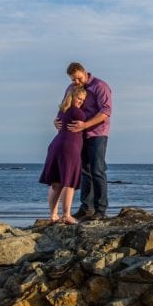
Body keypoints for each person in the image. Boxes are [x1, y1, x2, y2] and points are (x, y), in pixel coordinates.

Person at [56, 62, 113, 221]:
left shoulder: (100, 86)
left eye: (78, 78)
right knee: (84, 171)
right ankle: (86, 208)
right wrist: (57, 120)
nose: (76, 82)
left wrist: (86, 124)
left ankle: (100, 210)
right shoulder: (70, 88)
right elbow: (64, 107)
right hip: (77, 135)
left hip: (97, 133)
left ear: (84, 72)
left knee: (97, 170)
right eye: (73, 80)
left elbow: (106, 111)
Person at [39, 85, 87, 224]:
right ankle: (66, 215)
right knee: (69, 183)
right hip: (69, 148)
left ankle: (53, 215)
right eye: (79, 98)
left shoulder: (62, 110)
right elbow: (85, 124)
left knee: (56, 182)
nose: (80, 102)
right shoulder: (78, 113)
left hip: (56, 145)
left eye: (83, 100)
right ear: (71, 96)